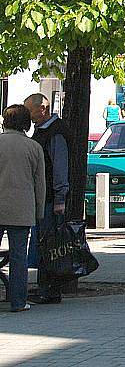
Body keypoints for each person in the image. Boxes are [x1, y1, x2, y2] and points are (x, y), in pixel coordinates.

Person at [23, 93, 70, 304]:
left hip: (51, 198)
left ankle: (50, 289)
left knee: (49, 244)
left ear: (42, 109)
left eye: (29, 110)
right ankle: (46, 287)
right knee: (45, 243)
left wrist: (60, 198)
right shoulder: (43, 131)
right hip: (46, 197)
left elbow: (59, 167)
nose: (27, 114)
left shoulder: (54, 132)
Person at [0, 105, 46, 313]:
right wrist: (39, 211)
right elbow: (40, 184)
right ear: (26, 123)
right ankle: (18, 302)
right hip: (22, 208)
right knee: (19, 258)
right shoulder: (33, 147)